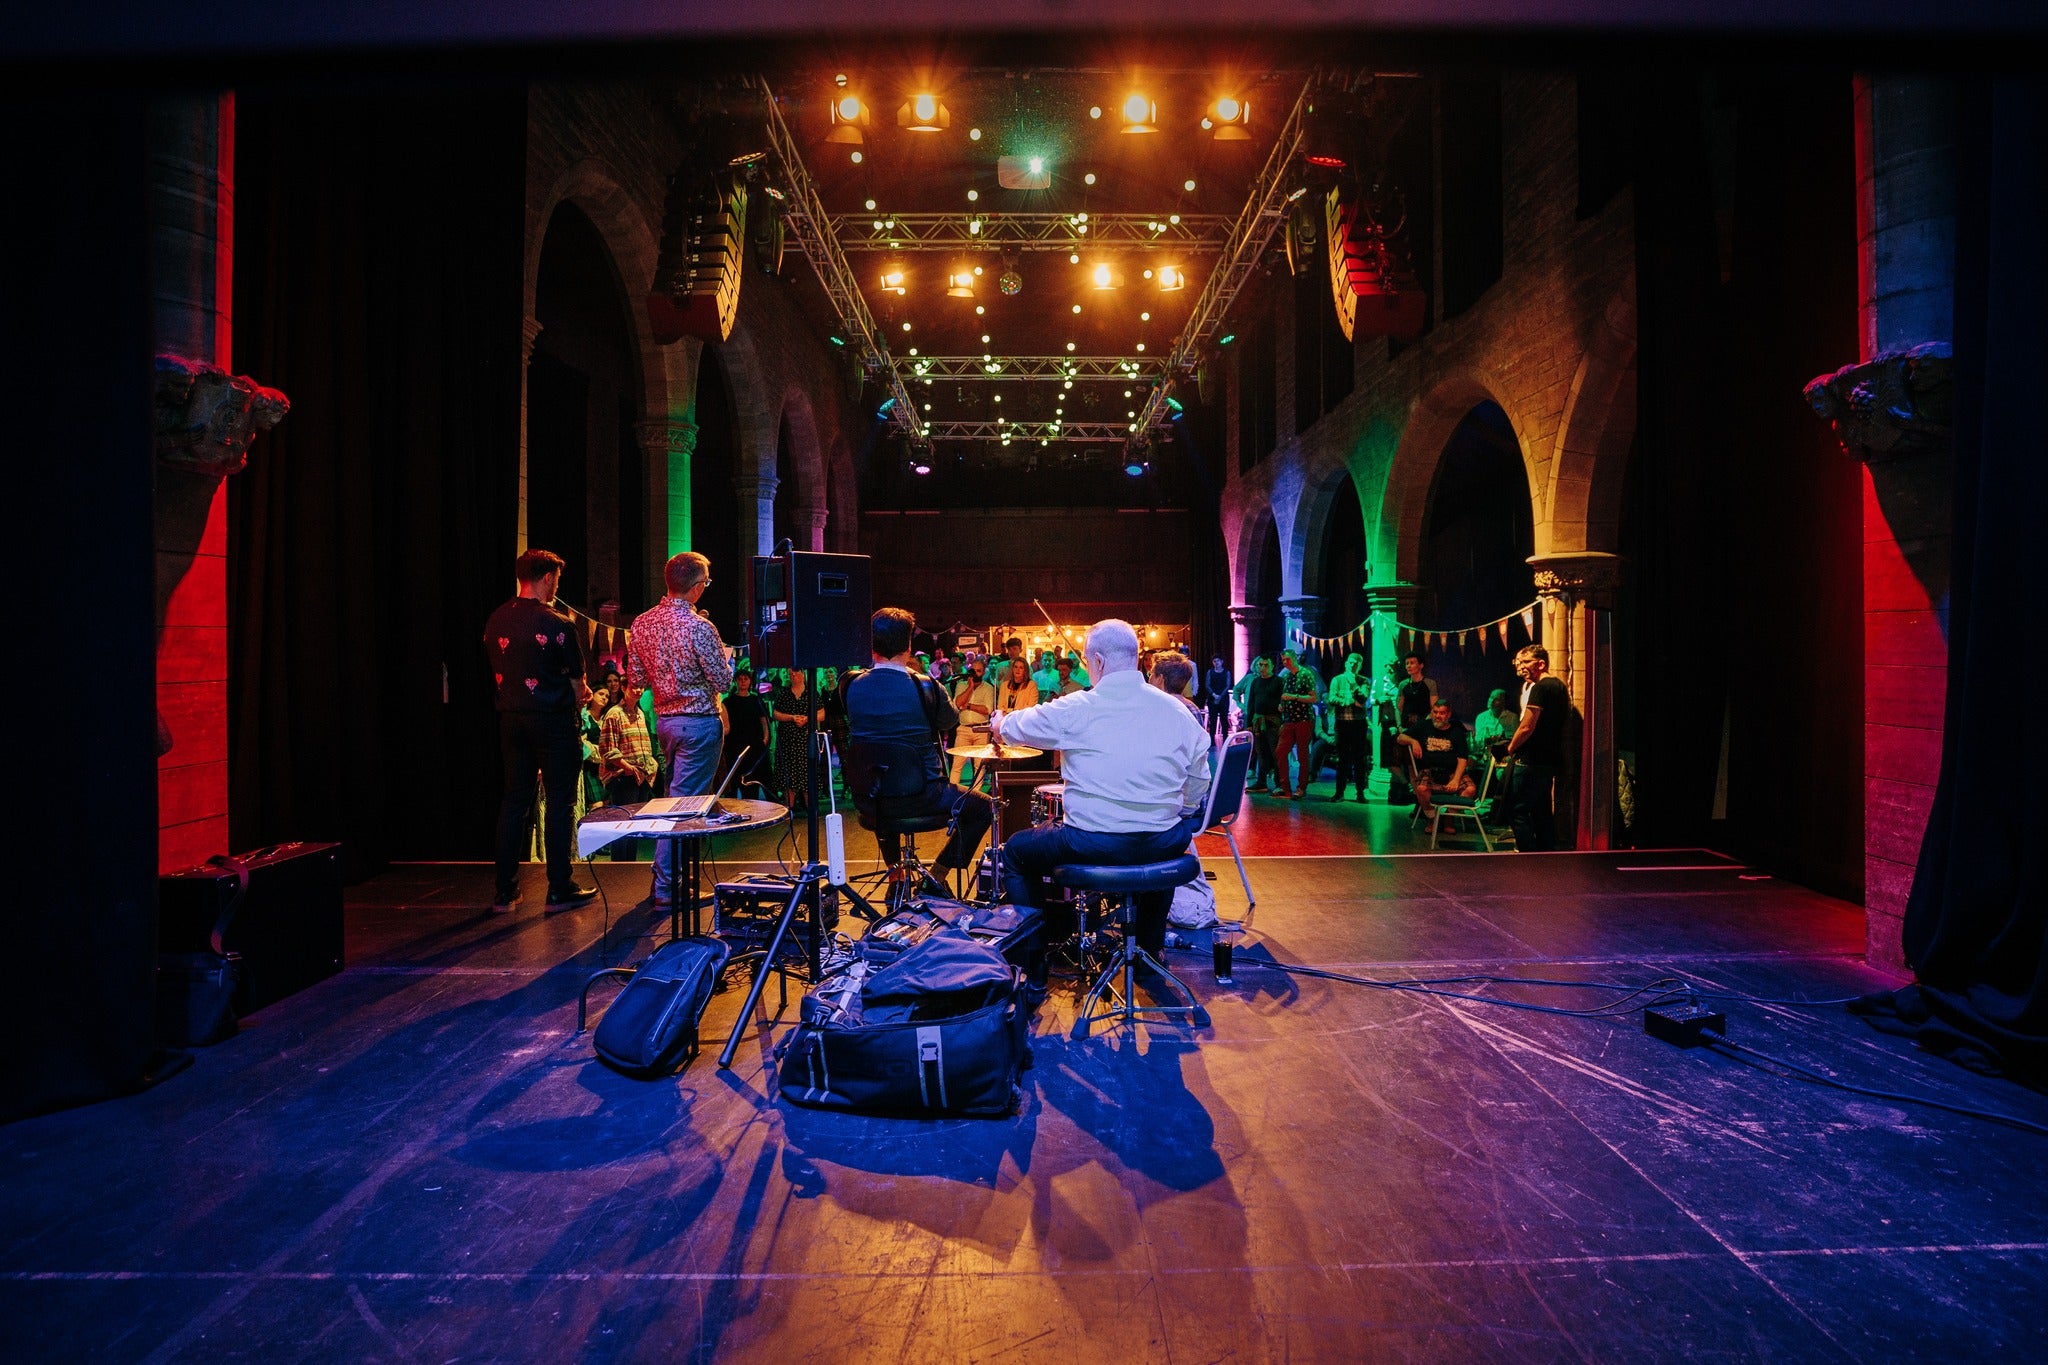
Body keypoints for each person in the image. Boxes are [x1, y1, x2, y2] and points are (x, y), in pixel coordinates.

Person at [991, 619, 1211, 962]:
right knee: (1164, 839)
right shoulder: (1178, 711)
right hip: (1161, 840)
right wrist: (1180, 809)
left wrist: (999, 723)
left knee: (1017, 853)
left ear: (1098, 662)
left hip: (1092, 843)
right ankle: (1150, 952)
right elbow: (1199, 778)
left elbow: (1017, 726)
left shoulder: (1078, 707)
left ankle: (1033, 969)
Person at [844, 607, 995, 887]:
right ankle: (937, 875)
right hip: (923, 795)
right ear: (909, 645)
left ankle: (896, 875)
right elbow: (950, 720)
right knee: (983, 808)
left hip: (869, 797)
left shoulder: (849, 684)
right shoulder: (926, 686)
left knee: (882, 785)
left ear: (871, 644)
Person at [485, 548, 597, 914]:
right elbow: (579, 686)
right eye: (557, 580)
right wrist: (578, 694)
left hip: (511, 721)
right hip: (553, 722)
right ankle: (559, 887)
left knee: (514, 801)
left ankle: (505, 893)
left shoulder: (496, 620)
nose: (556, 587)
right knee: (560, 804)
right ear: (547, 578)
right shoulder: (558, 623)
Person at [627, 551, 734, 907]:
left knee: (678, 801)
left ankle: (675, 880)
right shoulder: (701, 628)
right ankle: (667, 887)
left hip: (666, 724)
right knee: (682, 810)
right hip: (698, 724)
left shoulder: (641, 623)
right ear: (697, 587)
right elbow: (722, 680)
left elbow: (637, 678)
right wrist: (725, 656)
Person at [1504, 644, 1571, 851]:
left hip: (1531, 759)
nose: (1520, 667)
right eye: (1518, 662)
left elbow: (1526, 726)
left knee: (1518, 809)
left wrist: (1510, 748)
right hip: (1549, 758)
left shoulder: (1540, 688)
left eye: (1525, 662)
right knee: (1541, 809)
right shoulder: (1559, 686)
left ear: (1541, 664)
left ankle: (1525, 852)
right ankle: (1545, 852)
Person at [1399, 699, 1476, 822]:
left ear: (1448, 714)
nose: (1437, 716)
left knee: (1470, 790)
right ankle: (1433, 820)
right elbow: (1400, 737)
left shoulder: (1457, 732)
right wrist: (1413, 741)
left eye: (1441, 713)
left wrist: (1456, 780)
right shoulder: (1424, 725)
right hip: (1429, 771)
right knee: (1421, 790)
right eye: (1435, 712)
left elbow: (1462, 758)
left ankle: (1448, 819)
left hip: (1452, 772)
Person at [771, 667, 824, 812]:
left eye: (796, 672)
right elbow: (775, 714)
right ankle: (790, 808)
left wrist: (807, 719)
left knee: (808, 772)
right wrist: (791, 717)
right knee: (788, 773)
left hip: (806, 739)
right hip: (788, 740)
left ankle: (810, 807)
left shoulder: (811, 692)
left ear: (803, 674)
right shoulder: (784, 693)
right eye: (790, 674)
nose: (793, 675)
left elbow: (822, 714)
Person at [598, 680, 658, 806]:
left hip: (642, 774)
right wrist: (628, 768)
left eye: (641, 687)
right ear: (624, 688)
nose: (639, 691)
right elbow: (608, 750)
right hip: (623, 776)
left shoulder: (640, 713)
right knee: (626, 819)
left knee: (641, 817)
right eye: (634, 687)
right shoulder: (614, 714)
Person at [1324, 652, 1372, 801]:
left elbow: (1362, 700)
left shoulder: (1364, 681)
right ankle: (1339, 792)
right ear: (1346, 663)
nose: (1353, 665)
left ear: (1360, 666)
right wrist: (1350, 701)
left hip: (1358, 723)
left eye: (1356, 663)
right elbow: (1331, 699)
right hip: (1342, 722)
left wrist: (1353, 685)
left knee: (1360, 759)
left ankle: (1360, 792)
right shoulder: (1337, 680)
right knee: (1343, 759)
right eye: (1351, 662)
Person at [1273, 650, 1319, 799]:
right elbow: (1284, 695)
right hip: (1289, 720)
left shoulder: (1306, 674)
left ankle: (1301, 787)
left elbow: (1313, 698)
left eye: (1287, 660)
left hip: (1304, 719)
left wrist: (1294, 697)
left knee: (1302, 754)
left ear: (1294, 659)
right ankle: (1284, 786)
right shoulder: (1286, 676)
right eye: (1283, 660)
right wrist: (1282, 704)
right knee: (1280, 751)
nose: (1285, 663)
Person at [949, 654, 996, 787]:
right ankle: (953, 792)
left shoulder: (988, 688)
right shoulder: (961, 684)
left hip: (981, 729)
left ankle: (974, 795)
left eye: (978, 671)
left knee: (979, 765)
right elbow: (958, 703)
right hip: (964, 729)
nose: (975, 673)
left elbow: (987, 709)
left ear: (983, 672)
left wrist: (969, 706)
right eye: (973, 670)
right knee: (957, 764)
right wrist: (969, 688)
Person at [721, 668, 771, 794]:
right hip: (734, 746)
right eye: (740, 679)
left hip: (754, 746)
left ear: (750, 681)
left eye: (746, 679)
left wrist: (765, 739)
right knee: (733, 781)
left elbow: (765, 721)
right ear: (735, 681)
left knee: (753, 780)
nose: (743, 682)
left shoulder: (756, 700)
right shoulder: (728, 701)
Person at [1243, 656, 1283, 792]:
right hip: (1258, 722)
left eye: (1265, 665)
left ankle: (1279, 783)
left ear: (1271, 666)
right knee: (1261, 753)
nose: (1262, 668)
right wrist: (1249, 723)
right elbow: (1251, 704)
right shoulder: (1256, 682)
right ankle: (1261, 782)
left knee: (1275, 752)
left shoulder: (1279, 682)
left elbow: (1283, 702)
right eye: (1260, 665)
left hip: (1273, 722)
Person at [1148, 654, 1205, 722]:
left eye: (1151, 673)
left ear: (1160, 679)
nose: (1149, 677)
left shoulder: (1158, 710)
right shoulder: (1194, 709)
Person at [1472, 687, 1518, 758]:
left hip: (1503, 757)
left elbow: (1514, 741)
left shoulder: (1512, 718)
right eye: (1491, 697)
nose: (1491, 701)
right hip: (1484, 756)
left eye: (1496, 699)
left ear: (1503, 703)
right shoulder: (1481, 717)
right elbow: (1478, 741)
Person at [1202, 655, 1233, 744]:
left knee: (1224, 719)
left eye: (1218, 661)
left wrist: (1220, 696)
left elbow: (1227, 685)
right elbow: (1207, 685)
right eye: (1214, 661)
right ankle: (1212, 740)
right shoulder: (1210, 672)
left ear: (1222, 661)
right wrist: (1214, 695)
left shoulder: (1226, 672)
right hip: (1212, 698)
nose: (1216, 663)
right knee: (1213, 719)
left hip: (1223, 698)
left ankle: (1226, 739)